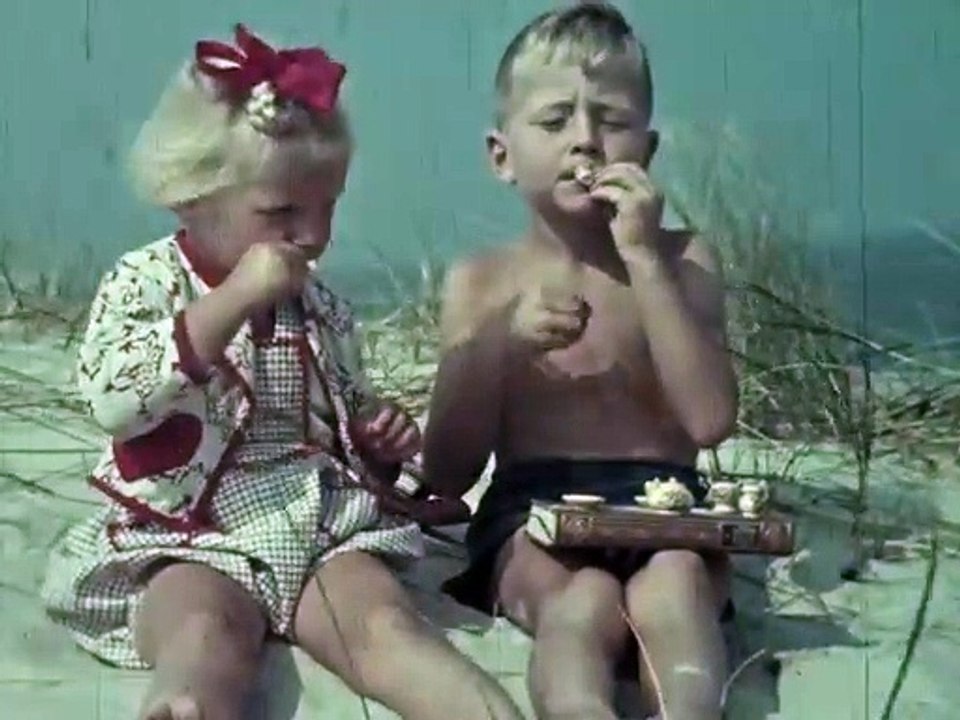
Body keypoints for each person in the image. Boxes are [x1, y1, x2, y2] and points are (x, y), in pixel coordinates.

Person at [41, 23, 524, 720]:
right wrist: (233, 299)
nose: (314, 234)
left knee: (382, 625)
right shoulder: (146, 280)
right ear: (190, 198)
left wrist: (376, 435)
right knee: (204, 634)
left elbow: (339, 412)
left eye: (328, 208)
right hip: (186, 527)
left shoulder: (320, 305)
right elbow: (116, 399)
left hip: (313, 520)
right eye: (281, 212)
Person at [422, 4, 739, 720]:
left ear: (648, 151)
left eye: (612, 119)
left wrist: (643, 260)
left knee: (677, 588)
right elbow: (446, 470)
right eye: (555, 119)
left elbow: (711, 419)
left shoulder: (683, 260)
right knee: (580, 601)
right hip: (531, 511)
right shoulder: (482, 281)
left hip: (669, 509)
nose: (586, 141)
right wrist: (496, 350)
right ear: (501, 155)